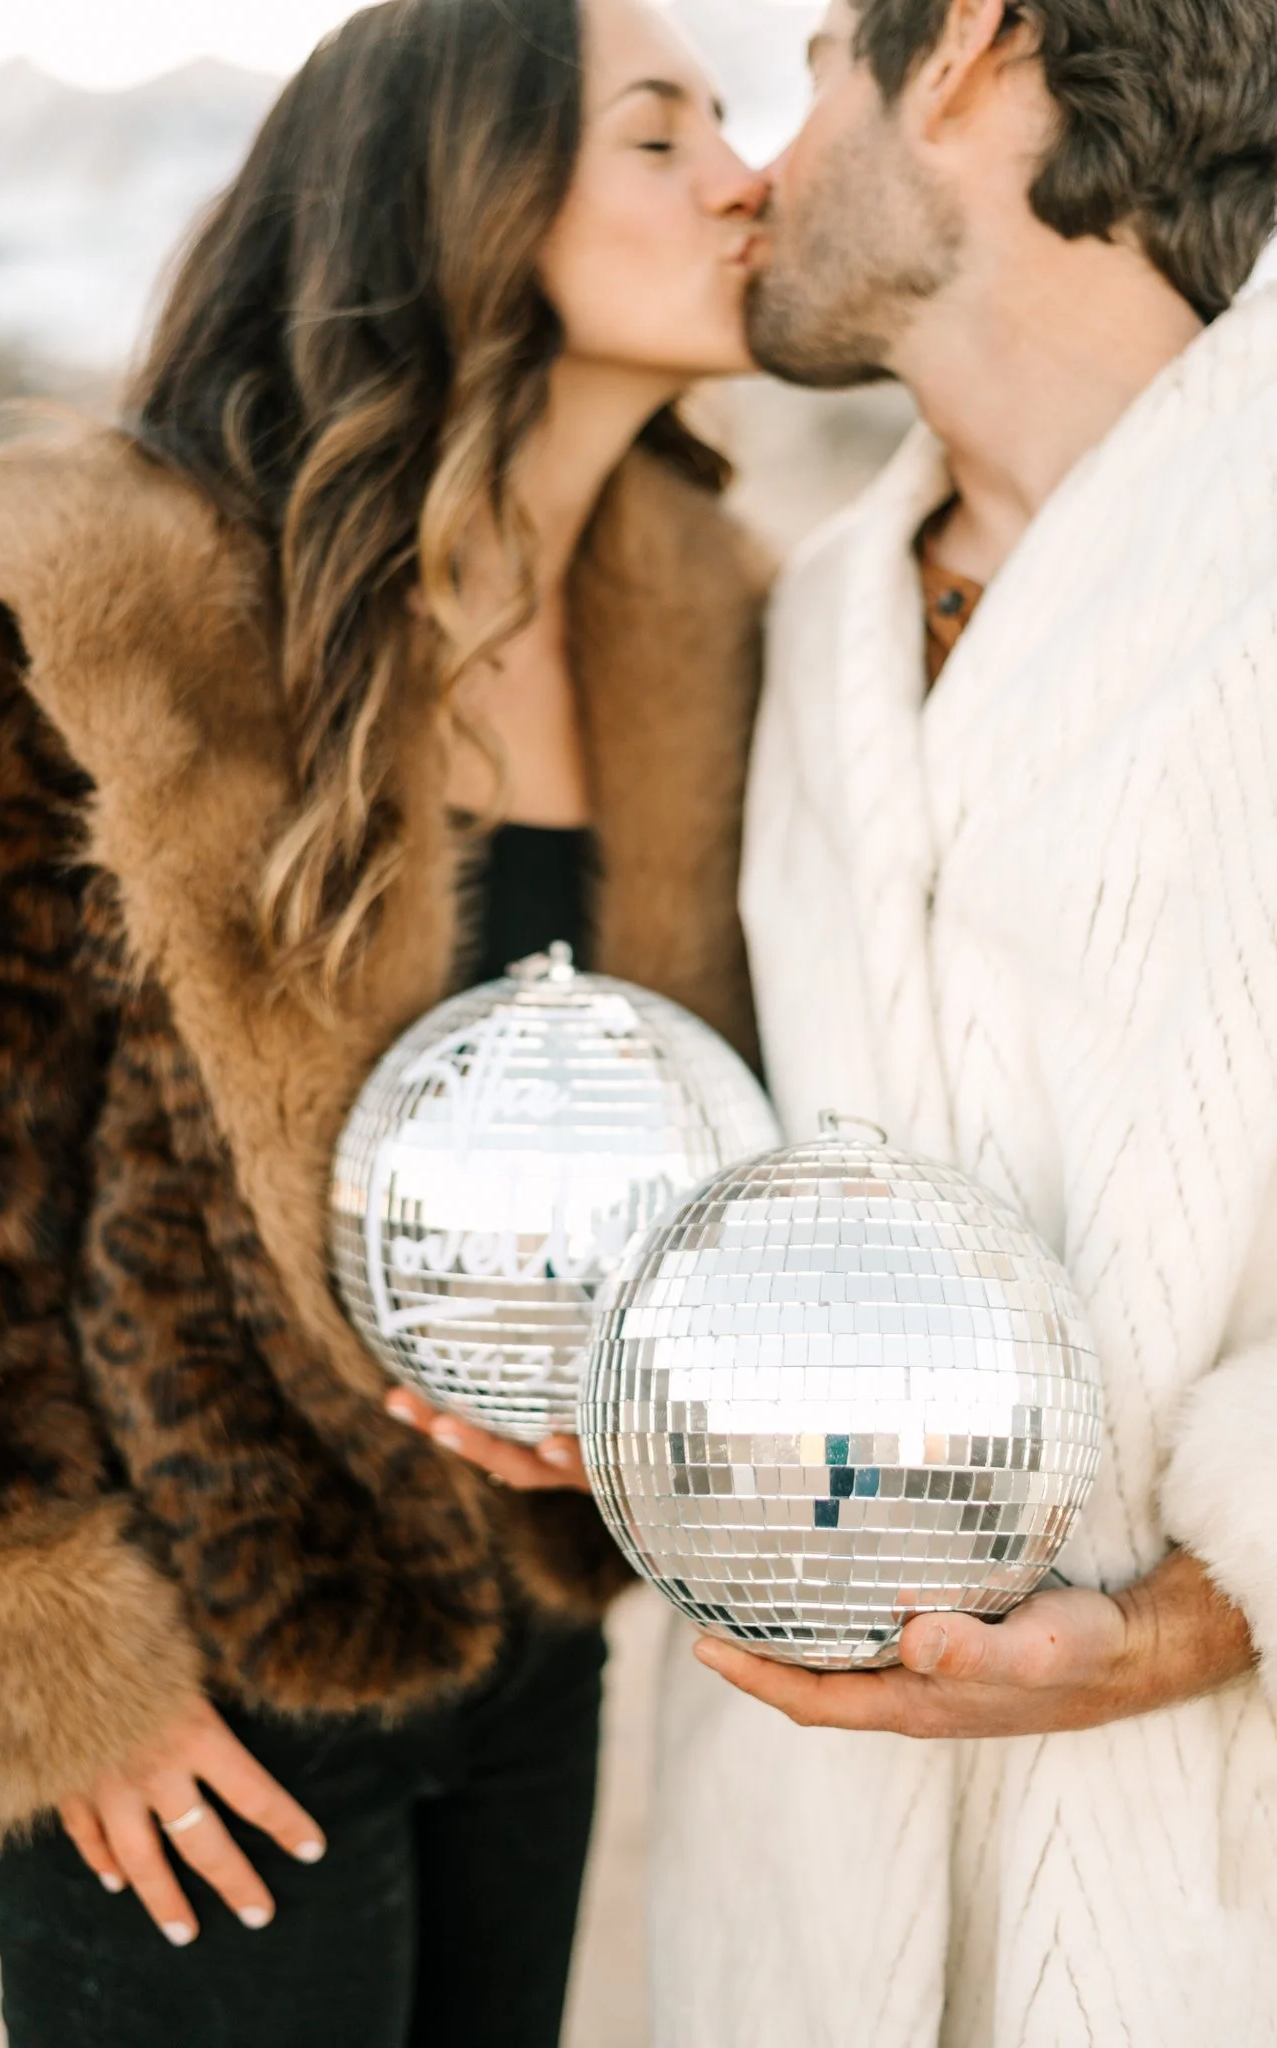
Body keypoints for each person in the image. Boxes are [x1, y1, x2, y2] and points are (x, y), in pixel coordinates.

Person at [0, 2, 770, 2043]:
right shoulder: (90, 608)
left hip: (532, 1643)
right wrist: (52, 1669)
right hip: (200, 1683)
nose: (747, 181)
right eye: (663, 137)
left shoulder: (705, 628)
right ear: (463, 199)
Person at [650, 1, 1277, 2042]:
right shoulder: (818, 605)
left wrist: (1195, 1617)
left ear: (963, 52)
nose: (759, 171)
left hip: (1203, 1900)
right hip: (791, 1891)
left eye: (819, 62)